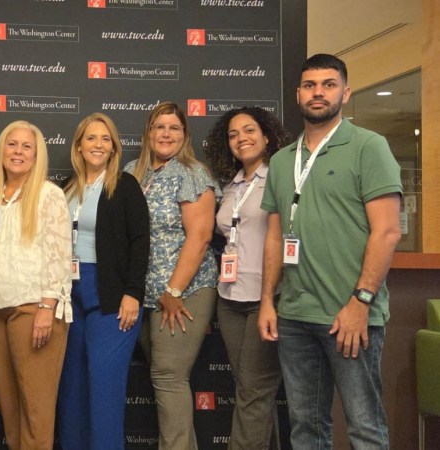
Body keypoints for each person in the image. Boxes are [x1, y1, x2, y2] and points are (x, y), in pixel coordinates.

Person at [258, 53, 402, 449]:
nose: (318, 92)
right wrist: (267, 301)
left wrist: (361, 302)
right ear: (298, 94)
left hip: (350, 315)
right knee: (306, 429)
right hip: (294, 316)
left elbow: (387, 231)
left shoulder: (368, 146)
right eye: (310, 85)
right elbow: (274, 236)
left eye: (328, 84)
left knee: (364, 428)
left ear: (346, 92)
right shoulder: (282, 160)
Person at [125, 101, 218, 450]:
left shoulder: (192, 172)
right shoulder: (133, 172)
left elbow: (200, 236)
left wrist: (175, 290)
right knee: (166, 379)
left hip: (184, 291)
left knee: (168, 377)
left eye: (174, 128)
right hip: (145, 295)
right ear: (148, 133)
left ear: (184, 135)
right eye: (159, 127)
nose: (166, 134)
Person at [0, 121, 71, 450]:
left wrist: (47, 307)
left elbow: (60, 254)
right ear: (1, 150)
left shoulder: (48, 194)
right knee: (10, 409)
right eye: (12, 144)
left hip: (32, 310)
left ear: (36, 154)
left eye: (26, 146)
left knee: (36, 410)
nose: (18, 152)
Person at [58, 113, 150, 450]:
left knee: (104, 387)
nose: (98, 145)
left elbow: (141, 241)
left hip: (111, 294)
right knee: (72, 387)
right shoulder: (66, 188)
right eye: (91, 138)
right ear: (78, 146)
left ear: (113, 148)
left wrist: (133, 293)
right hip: (69, 294)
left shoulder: (124, 185)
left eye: (105, 139)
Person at [205, 106, 291, 449]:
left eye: (250, 130)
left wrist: (270, 299)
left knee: (255, 391)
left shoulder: (280, 180)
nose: (241, 138)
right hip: (229, 298)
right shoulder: (232, 187)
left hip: (267, 298)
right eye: (233, 134)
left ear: (267, 137)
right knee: (249, 389)